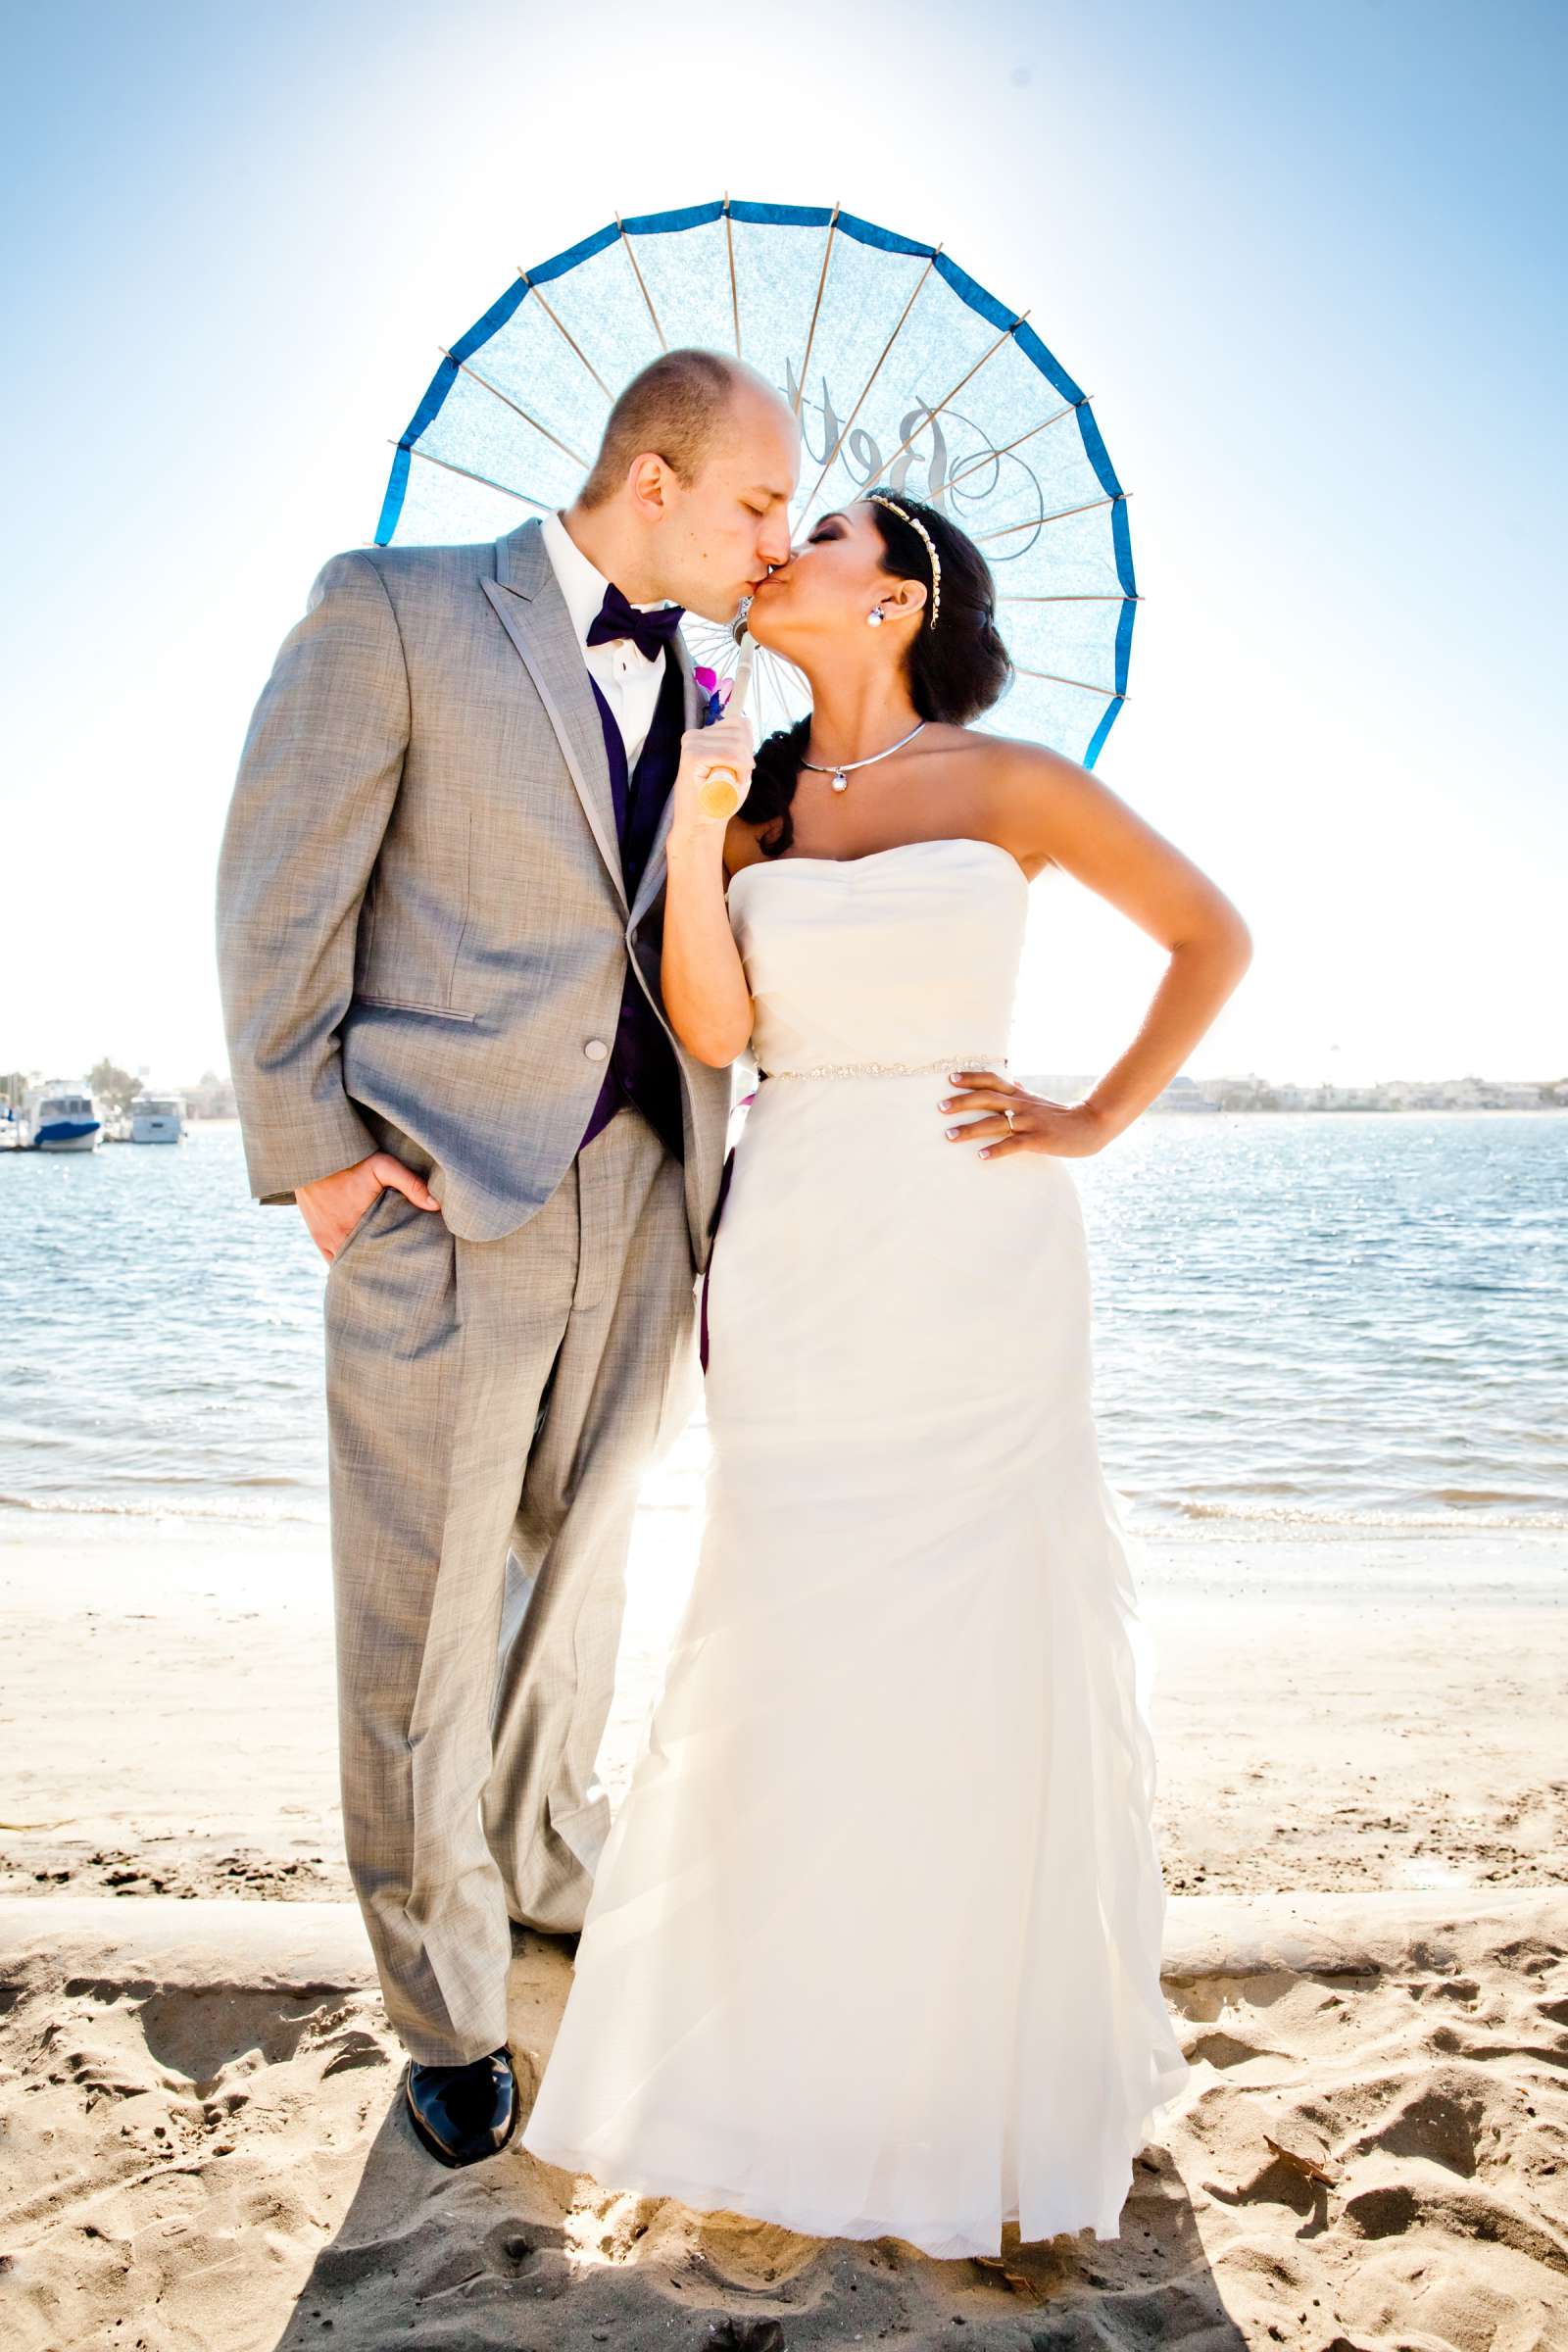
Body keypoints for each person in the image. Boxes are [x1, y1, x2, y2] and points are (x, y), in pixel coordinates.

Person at [518, 488, 1252, 2254]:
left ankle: (969, 2066)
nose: (784, 551)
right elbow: (712, 1027)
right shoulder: (748, 796)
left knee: (977, 1624)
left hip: (976, 1250)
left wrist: (1089, 1116)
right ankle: (791, 2047)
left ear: (902, 594)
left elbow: (1212, 937)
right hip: (795, 1249)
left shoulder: (1011, 784)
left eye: (823, 530)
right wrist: (698, 838)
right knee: (788, 1624)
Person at [215, 349, 800, 2169]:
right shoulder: (392, 610)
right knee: (422, 1611)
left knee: (585, 1575)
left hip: (650, 1184)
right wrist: (311, 1156)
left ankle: (546, 1857)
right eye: (757, 506)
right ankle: (446, 2004)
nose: (776, 543)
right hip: (441, 1193)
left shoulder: (720, 678)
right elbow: (276, 890)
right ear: (653, 478)